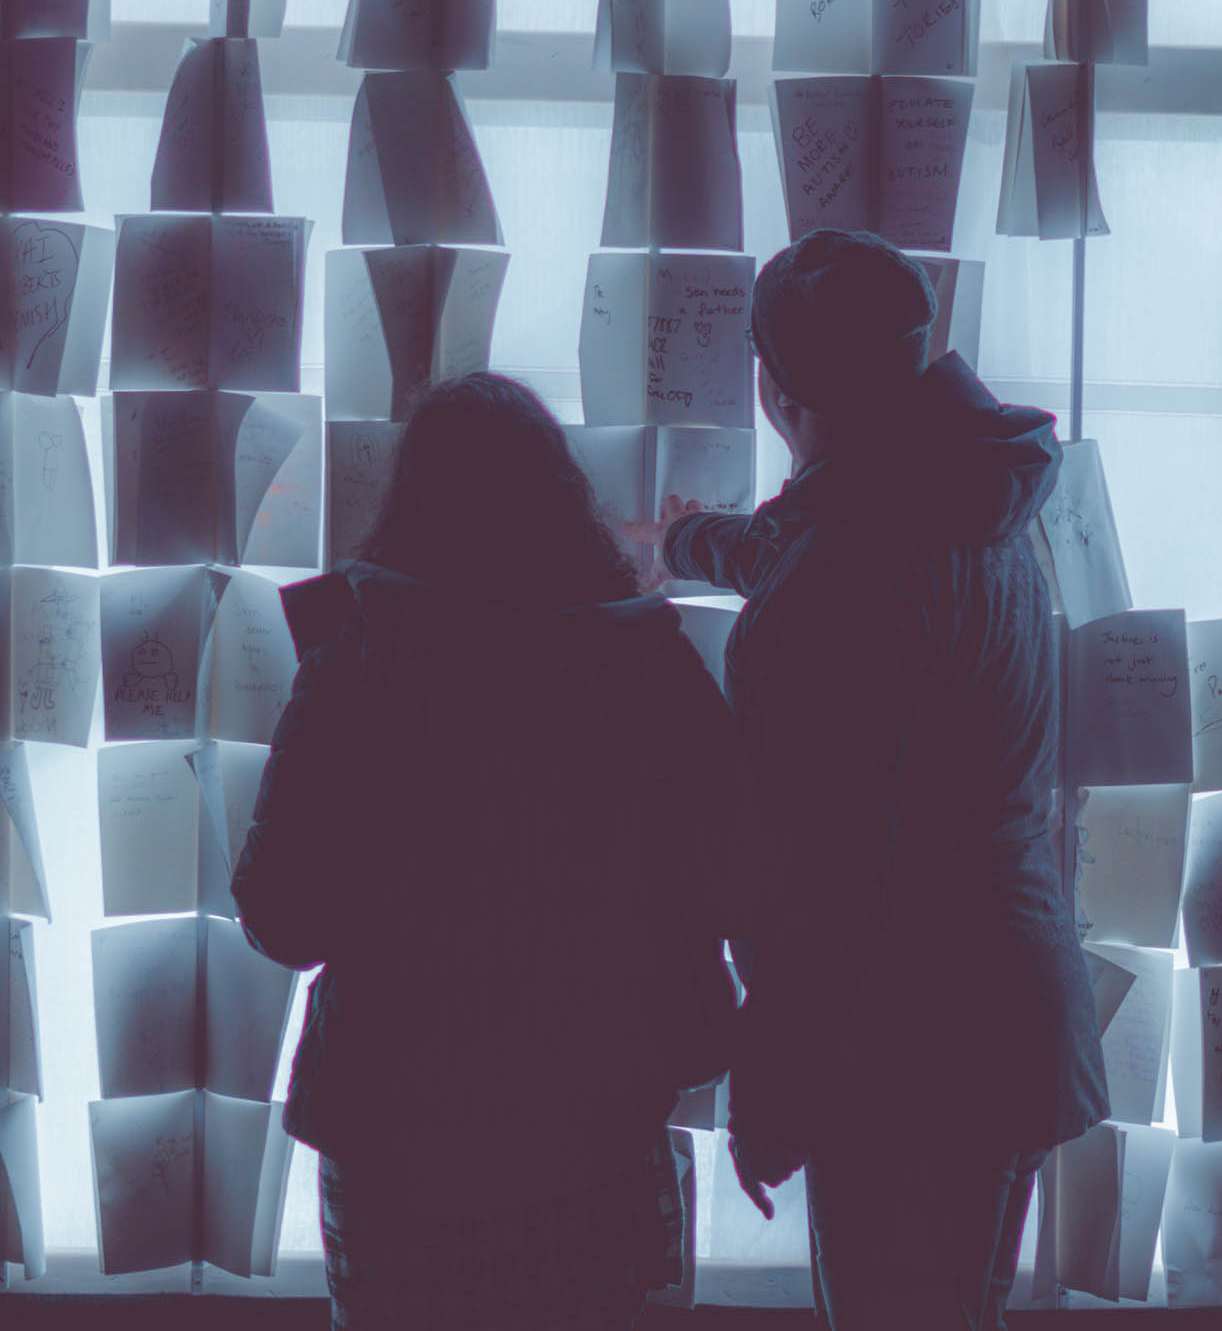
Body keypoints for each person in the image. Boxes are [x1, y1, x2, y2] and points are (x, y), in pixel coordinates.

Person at [631, 229, 1108, 1331]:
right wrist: (686, 544)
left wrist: (775, 1081)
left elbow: (823, 867)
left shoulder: (843, 570)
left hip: (908, 1044)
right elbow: (819, 547)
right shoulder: (964, 495)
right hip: (1013, 1007)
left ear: (776, 385)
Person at [232, 372, 740, 1331]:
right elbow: (735, 877)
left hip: (399, 1141)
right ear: (564, 501)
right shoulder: (650, 665)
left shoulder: (356, 670)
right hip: (597, 1122)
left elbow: (283, 917)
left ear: (412, 505)